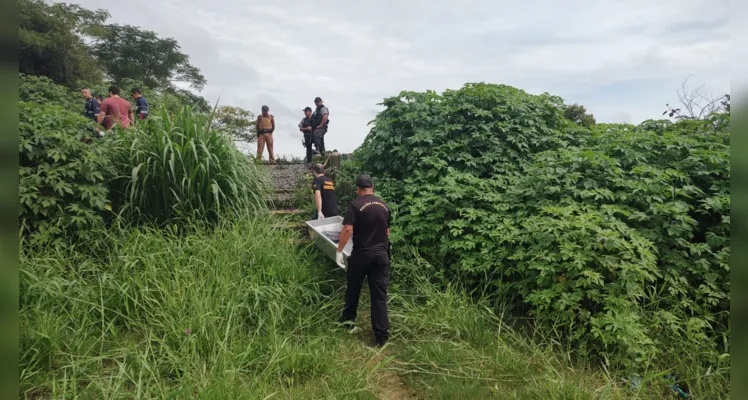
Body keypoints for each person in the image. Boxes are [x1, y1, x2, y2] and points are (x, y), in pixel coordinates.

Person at [336, 174, 392, 347]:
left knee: (353, 289)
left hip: (361, 255)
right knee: (379, 296)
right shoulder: (384, 206)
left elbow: (347, 230)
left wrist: (339, 250)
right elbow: (387, 232)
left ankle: (348, 322)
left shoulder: (355, 204)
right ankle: (381, 337)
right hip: (381, 255)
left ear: (357, 189)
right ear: (372, 186)